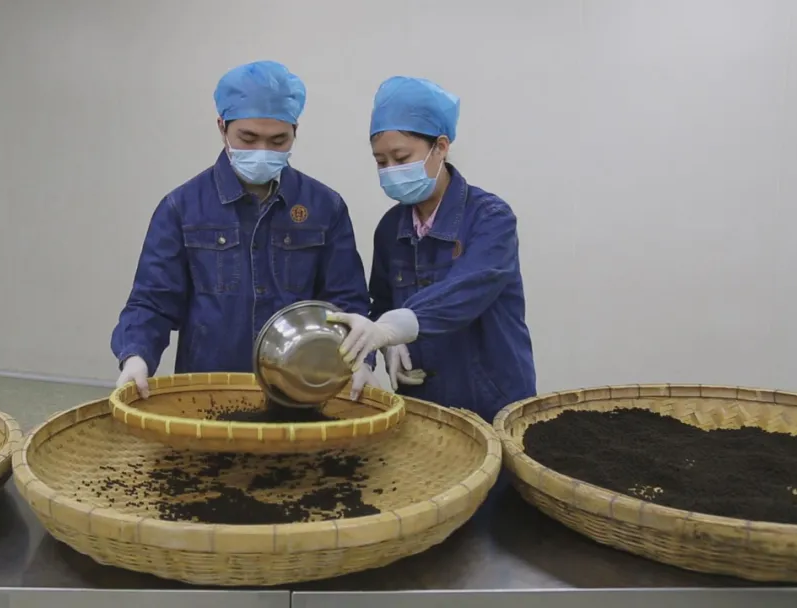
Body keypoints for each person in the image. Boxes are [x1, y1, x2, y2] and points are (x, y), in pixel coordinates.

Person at [112, 61, 376, 400]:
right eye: (248, 138)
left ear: (295, 130)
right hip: (208, 391)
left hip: (301, 391)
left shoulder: (325, 207)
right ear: (222, 127)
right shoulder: (181, 207)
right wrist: (136, 356)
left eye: (278, 140)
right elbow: (152, 301)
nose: (262, 151)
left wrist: (362, 360)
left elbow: (347, 302)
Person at [328, 76, 536, 422]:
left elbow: (466, 291)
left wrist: (393, 327)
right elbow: (382, 301)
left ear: (440, 147)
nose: (391, 171)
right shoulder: (391, 229)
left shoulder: (490, 218)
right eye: (381, 162)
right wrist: (378, 349)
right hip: (422, 402)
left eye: (401, 158)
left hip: (492, 401)